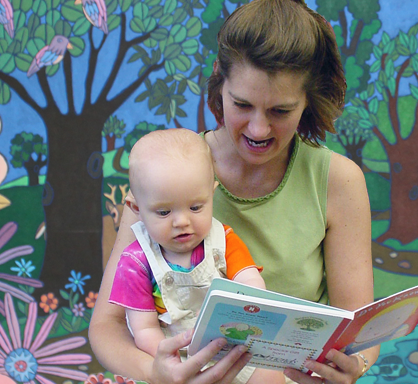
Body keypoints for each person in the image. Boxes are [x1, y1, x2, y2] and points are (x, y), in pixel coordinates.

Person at [89, 0, 377, 383]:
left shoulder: (338, 181)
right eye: (242, 104)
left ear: (309, 99)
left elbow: (359, 332)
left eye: (280, 111)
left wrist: (353, 368)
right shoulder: (165, 172)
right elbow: (106, 328)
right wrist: (160, 375)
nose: (258, 129)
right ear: (218, 82)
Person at [108, 129, 282, 384]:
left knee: (270, 376)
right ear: (137, 209)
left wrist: (249, 309)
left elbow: (251, 282)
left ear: (212, 194)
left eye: (195, 207)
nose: (182, 222)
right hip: (174, 358)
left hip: (231, 346)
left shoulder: (223, 239)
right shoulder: (135, 263)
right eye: (164, 212)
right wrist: (177, 366)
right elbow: (144, 329)